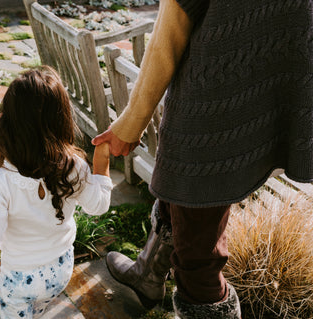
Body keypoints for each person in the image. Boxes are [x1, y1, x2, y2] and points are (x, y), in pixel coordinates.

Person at [93, 0, 312, 317]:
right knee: (179, 198)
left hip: (211, 114)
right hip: (265, 106)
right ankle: (147, 276)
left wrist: (129, 124)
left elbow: (167, 39)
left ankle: (172, 289)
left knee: (199, 261)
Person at [0, 66, 112, 319]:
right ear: (62, 120)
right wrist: (102, 166)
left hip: (19, 281)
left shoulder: (0, 181)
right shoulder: (75, 167)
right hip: (60, 271)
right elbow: (98, 205)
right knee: (38, 310)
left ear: (7, 123)